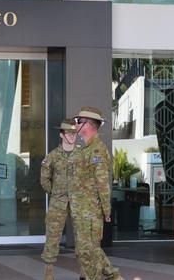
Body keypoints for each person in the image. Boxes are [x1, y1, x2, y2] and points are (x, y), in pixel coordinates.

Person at [71, 106, 124, 280]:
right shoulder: (85, 149)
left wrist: (106, 211)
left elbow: (102, 184)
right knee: (84, 250)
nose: (75, 124)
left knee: (88, 251)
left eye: (78, 121)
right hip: (81, 210)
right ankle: (112, 277)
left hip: (90, 211)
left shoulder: (97, 150)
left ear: (86, 124)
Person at [40, 118, 80, 280]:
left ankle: (84, 272)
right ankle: (48, 272)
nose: (72, 136)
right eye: (69, 133)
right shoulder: (53, 156)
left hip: (79, 202)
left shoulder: (82, 155)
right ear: (61, 134)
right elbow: (44, 179)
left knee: (83, 237)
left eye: (74, 133)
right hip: (58, 202)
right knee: (52, 236)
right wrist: (55, 193)